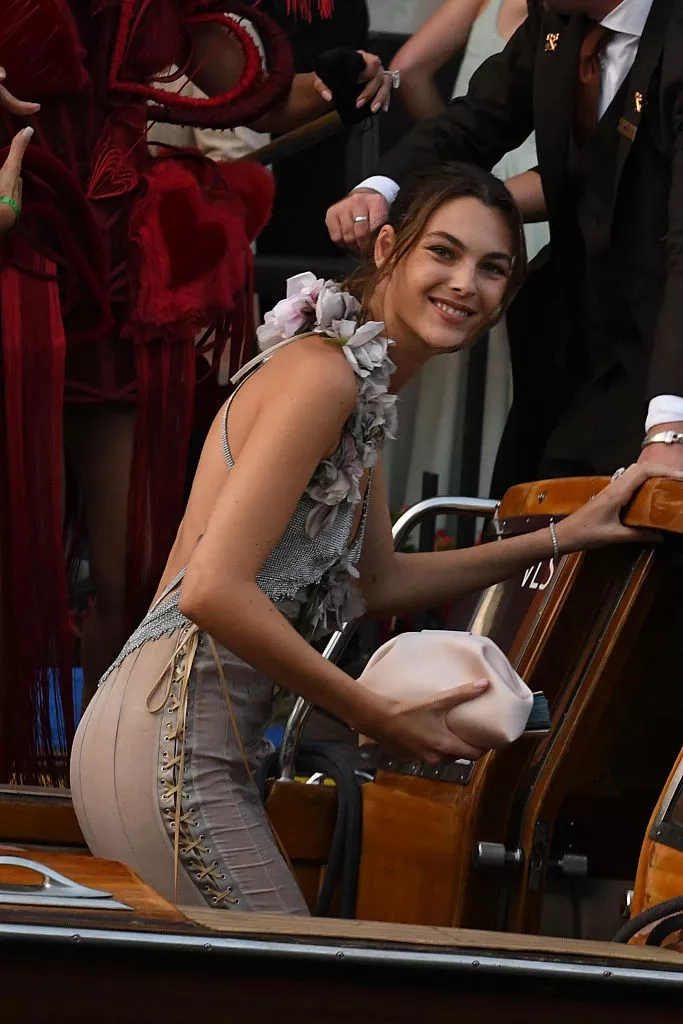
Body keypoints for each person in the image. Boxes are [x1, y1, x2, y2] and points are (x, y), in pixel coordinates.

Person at [70, 162, 675, 915]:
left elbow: (378, 584)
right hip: (170, 750)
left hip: (170, 744)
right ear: (387, 247)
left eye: (493, 269)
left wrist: (564, 536)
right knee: (298, 976)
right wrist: (371, 713)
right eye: (443, 252)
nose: (465, 284)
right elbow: (212, 591)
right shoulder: (324, 376)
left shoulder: (358, 383)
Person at [0, 2, 391, 784]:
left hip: (115, 280)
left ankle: (101, 776)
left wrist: (335, 81)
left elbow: (247, 92)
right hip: (16, 254)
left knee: (130, 566)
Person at [326, 0, 683, 494]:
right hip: (568, 346)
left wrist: (670, 425)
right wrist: (380, 188)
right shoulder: (557, 17)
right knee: (527, 513)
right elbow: (475, 121)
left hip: (664, 353)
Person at [384, 0, 549, 505]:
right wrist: (468, 189)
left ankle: (433, 510)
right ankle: (465, 513)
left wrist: (461, 187)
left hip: (495, 204)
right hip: (517, 202)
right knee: (493, 375)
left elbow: (408, 70)